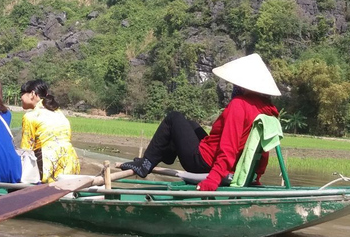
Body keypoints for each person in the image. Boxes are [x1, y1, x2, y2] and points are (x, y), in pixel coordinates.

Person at [120, 53, 280, 191]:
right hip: (220, 160)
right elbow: (263, 149)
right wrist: (256, 176)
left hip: (203, 163)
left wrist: (213, 179)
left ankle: (145, 164)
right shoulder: (268, 110)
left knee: (173, 118)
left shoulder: (239, 105)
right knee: (192, 125)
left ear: (244, 86)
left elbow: (228, 147)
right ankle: (165, 155)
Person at [20, 80, 80, 182]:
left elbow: (26, 149)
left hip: (48, 161)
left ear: (32, 94)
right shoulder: (58, 113)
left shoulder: (31, 116)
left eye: (22, 94)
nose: (20, 98)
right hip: (70, 159)